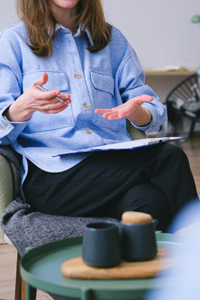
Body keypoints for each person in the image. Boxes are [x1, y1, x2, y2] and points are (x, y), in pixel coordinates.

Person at [0, 0, 199, 234]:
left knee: (149, 201)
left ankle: (143, 270)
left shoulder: (112, 40)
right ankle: (193, 252)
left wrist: (138, 113)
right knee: (170, 157)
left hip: (113, 170)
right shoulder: (13, 41)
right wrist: (20, 109)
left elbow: (151, 107)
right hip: (52, 179)